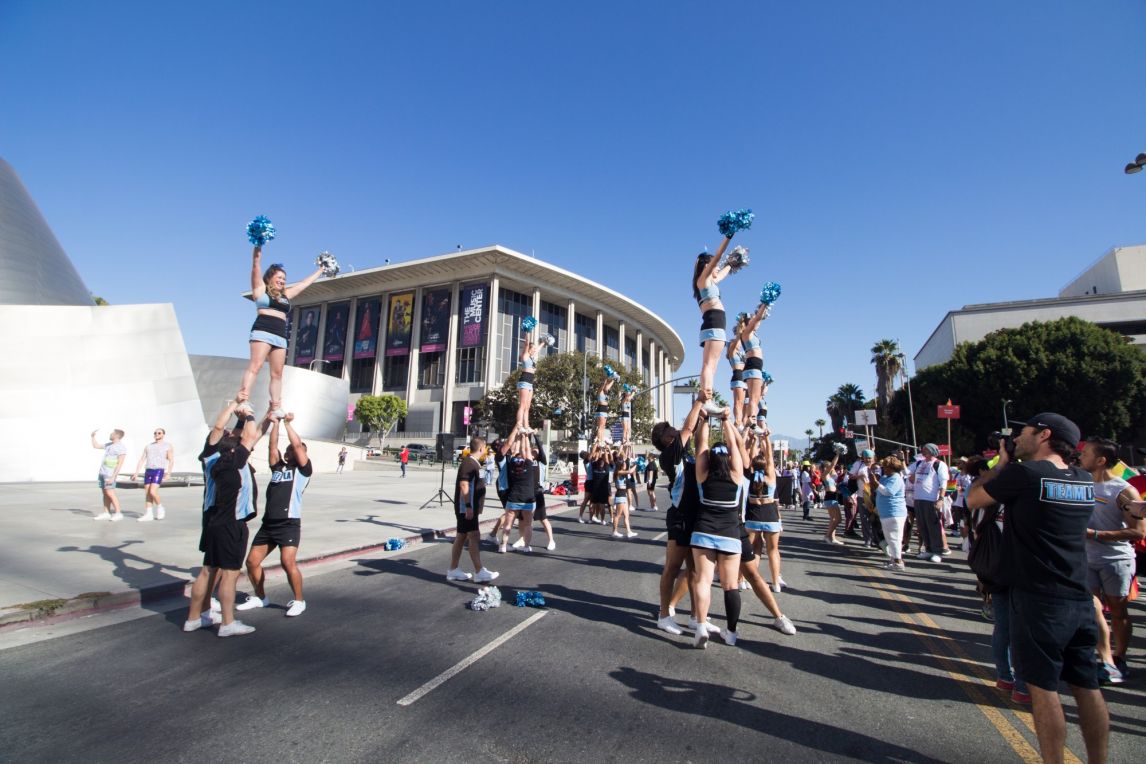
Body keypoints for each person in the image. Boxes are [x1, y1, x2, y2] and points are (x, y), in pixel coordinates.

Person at [966, 413, 1109, 764]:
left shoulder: (1024, 474)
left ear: (1044, 434)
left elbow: (973, 498)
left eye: (1023, 433)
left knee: (1044, 691)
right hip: (1079, 595)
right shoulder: (1081, 478)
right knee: (1087, 687)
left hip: (1037, 598)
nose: (1017, 438)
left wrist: (1001, 461)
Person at [185, 401, 272, 637]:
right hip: (232, 523)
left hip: (212, 520)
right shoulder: (236, 462)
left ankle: (194, 619)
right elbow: (249, 436)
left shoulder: (212, 459)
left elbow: (228, 431)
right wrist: (249, 413)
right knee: (230, 574)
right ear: (234, 447)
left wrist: (242, 411)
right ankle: (227, 623)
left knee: (207, 570)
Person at [1079, 437, 1145, 684]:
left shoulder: (1123, 490)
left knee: (1118, 610)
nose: (1081, 457)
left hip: (1116, 559)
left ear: (1100, 460)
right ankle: (1102, 659)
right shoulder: (1081, 484)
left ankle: (1119, 658)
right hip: (1086, 558)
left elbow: (1138, 531)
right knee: (1091, 608)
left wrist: (1095, 534)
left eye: (1086, 454)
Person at [236, 413, 312, 617]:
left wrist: (287, 424)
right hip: (268, 524)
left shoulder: (303, 471)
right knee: (252, 562)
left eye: (299, 450)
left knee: (288, 562)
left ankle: (299, 600)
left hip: (289, 523)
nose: (294, 451)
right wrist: (275, 423)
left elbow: (297, 446)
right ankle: (260, 597)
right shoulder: (278, 467)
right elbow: (272, 445)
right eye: (289, 450)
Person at [237, 248, 324, 414]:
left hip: (280, 336)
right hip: (263, 330)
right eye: (279, 278)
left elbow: (304, 284)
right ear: (270, 278)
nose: (283, 281)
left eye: (284, 279)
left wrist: (320, 270)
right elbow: (256, 264)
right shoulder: (260, 290)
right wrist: (258, 246)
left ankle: (276, 406)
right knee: (255, 366)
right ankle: (243, 399)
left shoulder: (286, 295)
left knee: (277, 373)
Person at [690, 406, 747, 648]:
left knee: (703, 580)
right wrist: (727, 422)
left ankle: (701, 625)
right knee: (730, 585)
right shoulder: (736, 474)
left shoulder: (703, 474)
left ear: (711, 459)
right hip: (730, 534)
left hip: (703, 530)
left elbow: (701, 446)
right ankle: (731, 633)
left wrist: (704, 420)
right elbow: (735, 446)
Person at [650, 398, 708, 636]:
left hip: (696, 516)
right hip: (680, 516)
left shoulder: (685, 455)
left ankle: (696, 617)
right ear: (664, 440)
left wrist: (705, 419)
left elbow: (696, 436)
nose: (673, 431)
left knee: (695, 570)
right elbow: (686, 429)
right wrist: (698, 402)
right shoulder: (668, 456)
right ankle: (664, 615)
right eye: (668, 431)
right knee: (672, 568)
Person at [447, 436, 499, 583]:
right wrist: (469, 506)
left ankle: (453, 570)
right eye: (486, 449)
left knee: (461, 536)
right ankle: (479, 571)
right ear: (481, 448)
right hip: (466, 509)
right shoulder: (469, 464)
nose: (486, 451)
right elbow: (464, 485)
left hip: (469, 508)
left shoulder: (474, 463)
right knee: (474, 536)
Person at [744, 430, 787, 594]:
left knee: (753, 549)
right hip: (770, 517)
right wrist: (766, 439)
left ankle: (747, 581)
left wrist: (753, 441)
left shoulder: (749, 477)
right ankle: (776, 583)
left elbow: (750, 457)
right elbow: (769, 457)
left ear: (753, 465)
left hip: (753, 517)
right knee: (773, 550)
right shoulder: (770, 478)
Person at [908, 443, 950, 562]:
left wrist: (941, 498)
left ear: (932, 451)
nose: (923, 451)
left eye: (926, 450)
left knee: (933, 526)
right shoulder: (919, 463)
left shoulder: (939, 464)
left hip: (931, 500)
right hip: (918, 499)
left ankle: (937, 552)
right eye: (923, 449)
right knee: (922, 526)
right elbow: (906, 471)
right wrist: (901, 460)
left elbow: (943, 482)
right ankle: (929, 550)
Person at [498, 426, 536, 553]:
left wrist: (520, 434)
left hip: (513, 497)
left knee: (508, 524)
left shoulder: (511, 467)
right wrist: (525, 436)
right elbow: (526, 449)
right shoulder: (529, 466)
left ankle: (503, 545)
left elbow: (515, 452)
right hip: (528, 498)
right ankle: (526, 546)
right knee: (528, 524)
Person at [872, 456, 907, 571]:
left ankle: (898, 561)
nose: (884, 469)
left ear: (892, 467)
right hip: (885, 512)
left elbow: (888, 492)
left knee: (895, 538)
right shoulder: (885, 477)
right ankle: (893, 559)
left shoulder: (896, 478)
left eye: (886, 467)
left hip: (895, 512)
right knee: (889, 538)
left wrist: (877, 483)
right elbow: (878, 489)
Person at [130, 427, 174, 522]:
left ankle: (160, 507)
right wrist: (136, 473)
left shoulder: (167, 446)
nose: (156, 434)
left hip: (158, 470)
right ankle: (148, 514)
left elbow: (171, 460)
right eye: (155, 433)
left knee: (152, 491)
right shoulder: (148, 446)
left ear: (163, 434)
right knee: (147, 493)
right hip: (148, 469)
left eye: (159, 433)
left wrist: (168, 473)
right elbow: (142, 459)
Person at [738, 302, 768, 432]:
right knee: (755, 398)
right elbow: (757, 319)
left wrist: (763, 309)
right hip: (753, 364)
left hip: (755, 365)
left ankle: (751, 421)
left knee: (755, 397)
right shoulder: (746, 333)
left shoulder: (752, 334)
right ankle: (752, 421)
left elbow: (759, 320)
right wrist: (765, 305)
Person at [91, 428, 127, 521]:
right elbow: (96, 446)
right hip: (103, 473)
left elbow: (120, 463)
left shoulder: (121, 447)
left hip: (110, 474)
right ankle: (106, 513)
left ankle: (118, 513)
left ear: (117, 435)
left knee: (110, 492)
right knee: (105, 493)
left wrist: (113, 476)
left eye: (112, 433)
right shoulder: (109, 445)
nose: (110, 434)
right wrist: (93, 437)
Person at [515, 329, 541, 433]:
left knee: (527, 406)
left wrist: (543, 342)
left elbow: (538, 349)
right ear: (529, 349)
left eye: (535, 348)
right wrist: (527, 332)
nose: (535, 350)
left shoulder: (532, 358)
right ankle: (519, 425)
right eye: (533, 348)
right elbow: (526, 343)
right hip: (524, 380)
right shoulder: (525, 356)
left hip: (530, 382)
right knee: (522, 405)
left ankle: (526, 426)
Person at [610, 450, 638, 539]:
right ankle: (614, 531)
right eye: (624, 464)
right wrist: (636, 464)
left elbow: (628, 470)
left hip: (623, 495)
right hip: (620, 495)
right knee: (618, 515)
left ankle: (629, 532)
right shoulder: (618, 472)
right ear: (621, 465)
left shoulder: (622, 471)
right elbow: (630, 471)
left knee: (626, 515)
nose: (625, 464)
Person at [725, 323, 748, 430]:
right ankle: (737, 422)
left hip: (743, 377)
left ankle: (741, 422)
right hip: (738, 375)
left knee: (742, 403)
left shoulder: (741, 354)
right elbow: (735, 344)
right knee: (738, 402)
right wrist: (738, 335)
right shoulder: (732, 351)